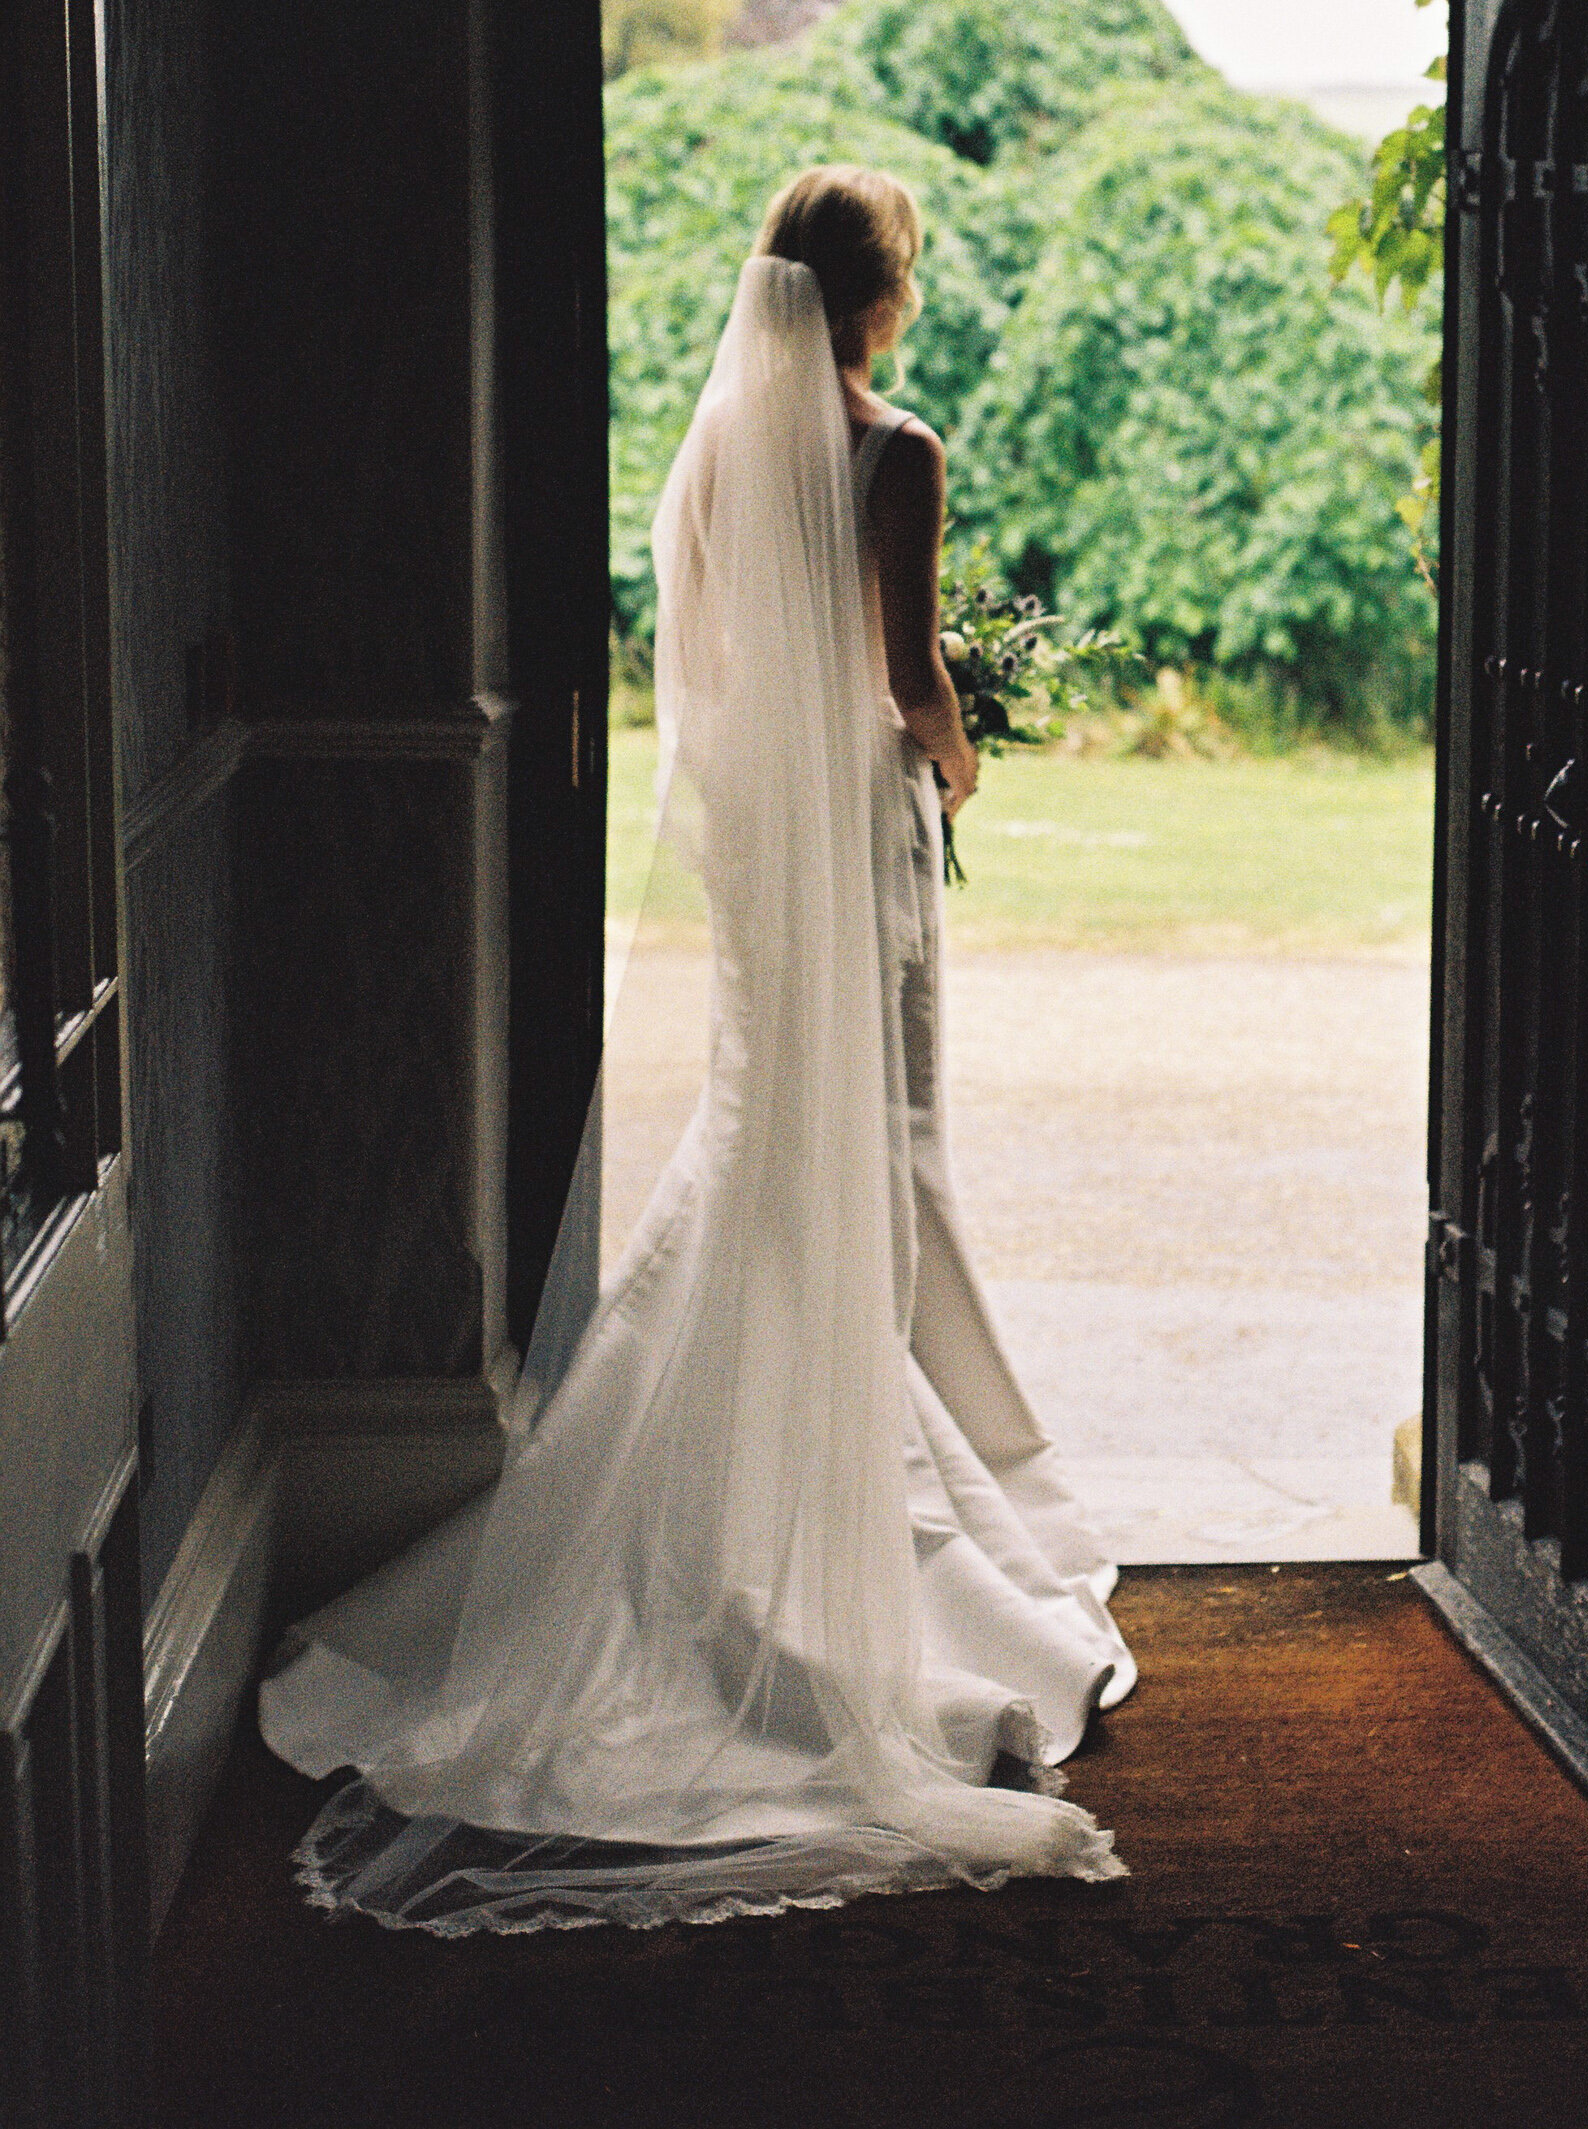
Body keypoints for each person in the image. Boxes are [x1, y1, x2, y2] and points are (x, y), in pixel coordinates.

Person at [259, 164, 1134, 1932]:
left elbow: (729, 665)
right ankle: (856, 1533)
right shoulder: (899, 450)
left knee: (768, 1143)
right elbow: (902, 679)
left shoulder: (726, 442)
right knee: (870, 1143)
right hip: (856, 846)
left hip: (755, 843)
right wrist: (959, 752)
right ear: (881, 291)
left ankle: (749, 1494)